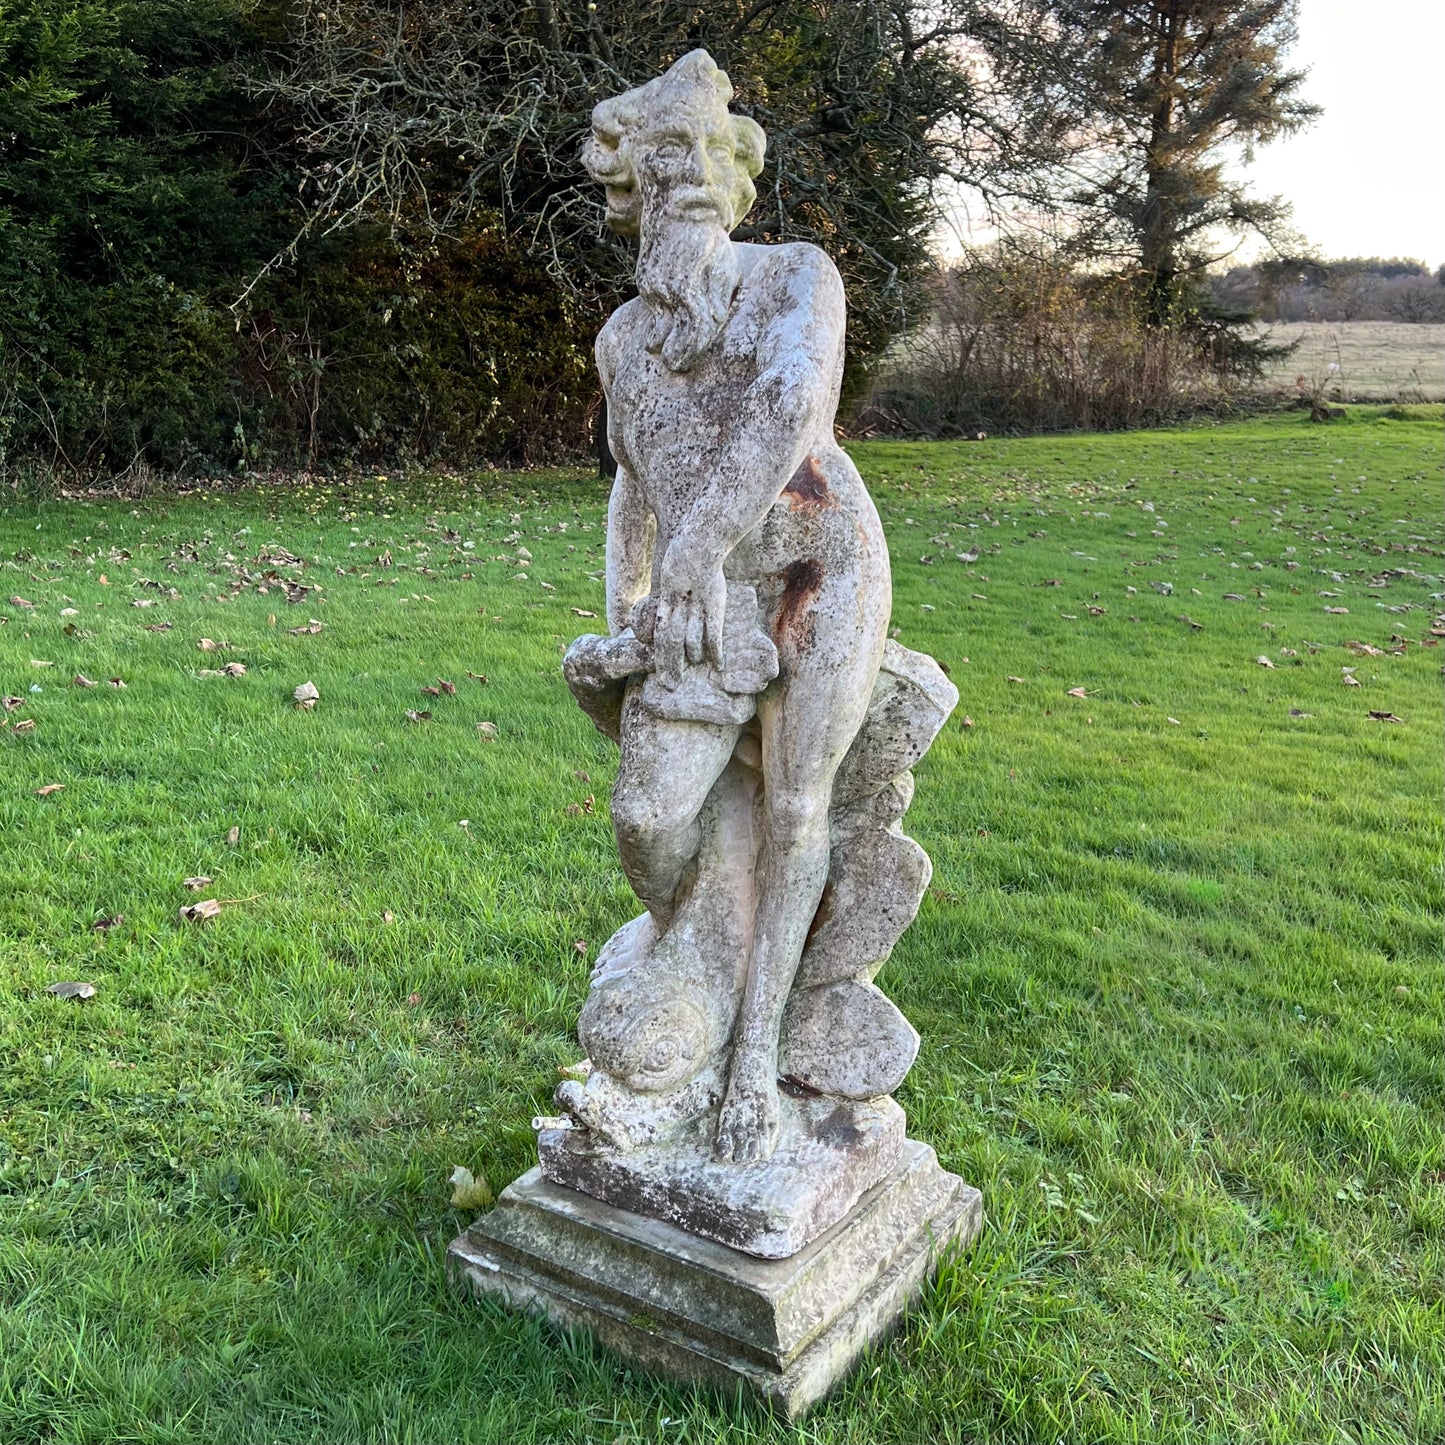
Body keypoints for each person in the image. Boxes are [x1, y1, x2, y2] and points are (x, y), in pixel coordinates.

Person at [584, 50, 891, 1163]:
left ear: (739, 174)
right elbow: (629, 484)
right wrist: (626, 613)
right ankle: (692, 956)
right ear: (632, 192)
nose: (693, 181)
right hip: (694, 597)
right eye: (668, 162)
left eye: (712, 157)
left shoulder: (795, 276)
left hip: (817, 572)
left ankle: (754, 1048)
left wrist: (697, 554)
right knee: (646, 816)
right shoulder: (623, 338)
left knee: (798, 806)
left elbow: (786, 412)